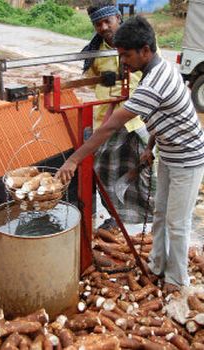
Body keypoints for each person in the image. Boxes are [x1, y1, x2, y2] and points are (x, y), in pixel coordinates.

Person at [57, 16, 204, 292]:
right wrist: (150, 147)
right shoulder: (154, 71)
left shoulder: (154, 84)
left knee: (178, 222)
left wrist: (75, 159)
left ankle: (176, 280)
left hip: (188, 158)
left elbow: (111, 126)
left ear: (145, 50)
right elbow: (164, 116)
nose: (123, 61)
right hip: (168, 152)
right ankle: (158, 263)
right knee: (160, 213)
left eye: (126, 55)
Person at [82, 0, 155, 226]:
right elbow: (86, 82)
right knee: (105, 172)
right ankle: (114, 216)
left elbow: (154, 69)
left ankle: (150, 216)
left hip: (138, 120)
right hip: (108, 119)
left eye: (107, 21)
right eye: (98, 24)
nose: (103, 27)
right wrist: (104, 81)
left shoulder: (139, 41)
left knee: (145, 169)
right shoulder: (95, 51)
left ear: (117, 18)